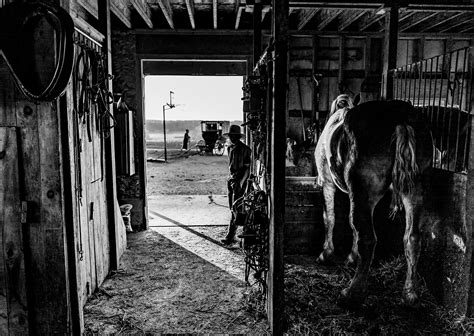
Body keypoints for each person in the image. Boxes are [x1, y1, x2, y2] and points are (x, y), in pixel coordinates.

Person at [220, 125, 251, 245]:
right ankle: (231, 235)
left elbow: (247, 169)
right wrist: (231, 181)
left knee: (238, 208)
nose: (232, 138)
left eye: (234, 136)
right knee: (232, 208)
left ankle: (232, 235)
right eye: (231, 136)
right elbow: (230, 167)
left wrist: (242, 183)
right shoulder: (230, 149)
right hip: (231, 180)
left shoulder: (246, 150)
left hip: (240, 181)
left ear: (238, 136)